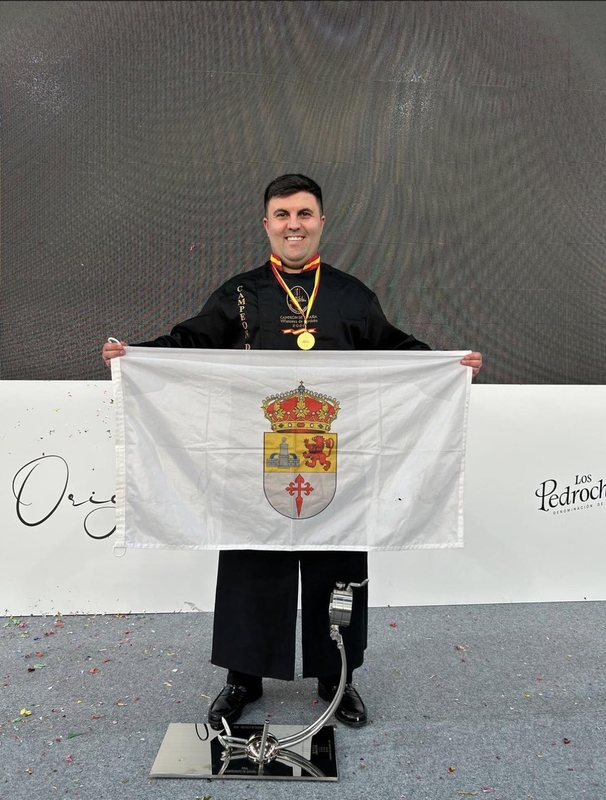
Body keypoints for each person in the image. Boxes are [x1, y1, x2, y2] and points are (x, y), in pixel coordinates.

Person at [103, 173, 482, 730]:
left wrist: (447, 364)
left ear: (321, 221)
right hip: (258, 463)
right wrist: (135, 355)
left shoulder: (351, 295)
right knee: (250, 558)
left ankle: (337, 678)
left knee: (339, 563)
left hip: (336, 463)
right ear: (267, 224)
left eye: (304, 214)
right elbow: (191, 342)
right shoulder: (240, 293)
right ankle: (242, 677)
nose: (293, 225)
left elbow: (396, 350)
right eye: (282, 215)